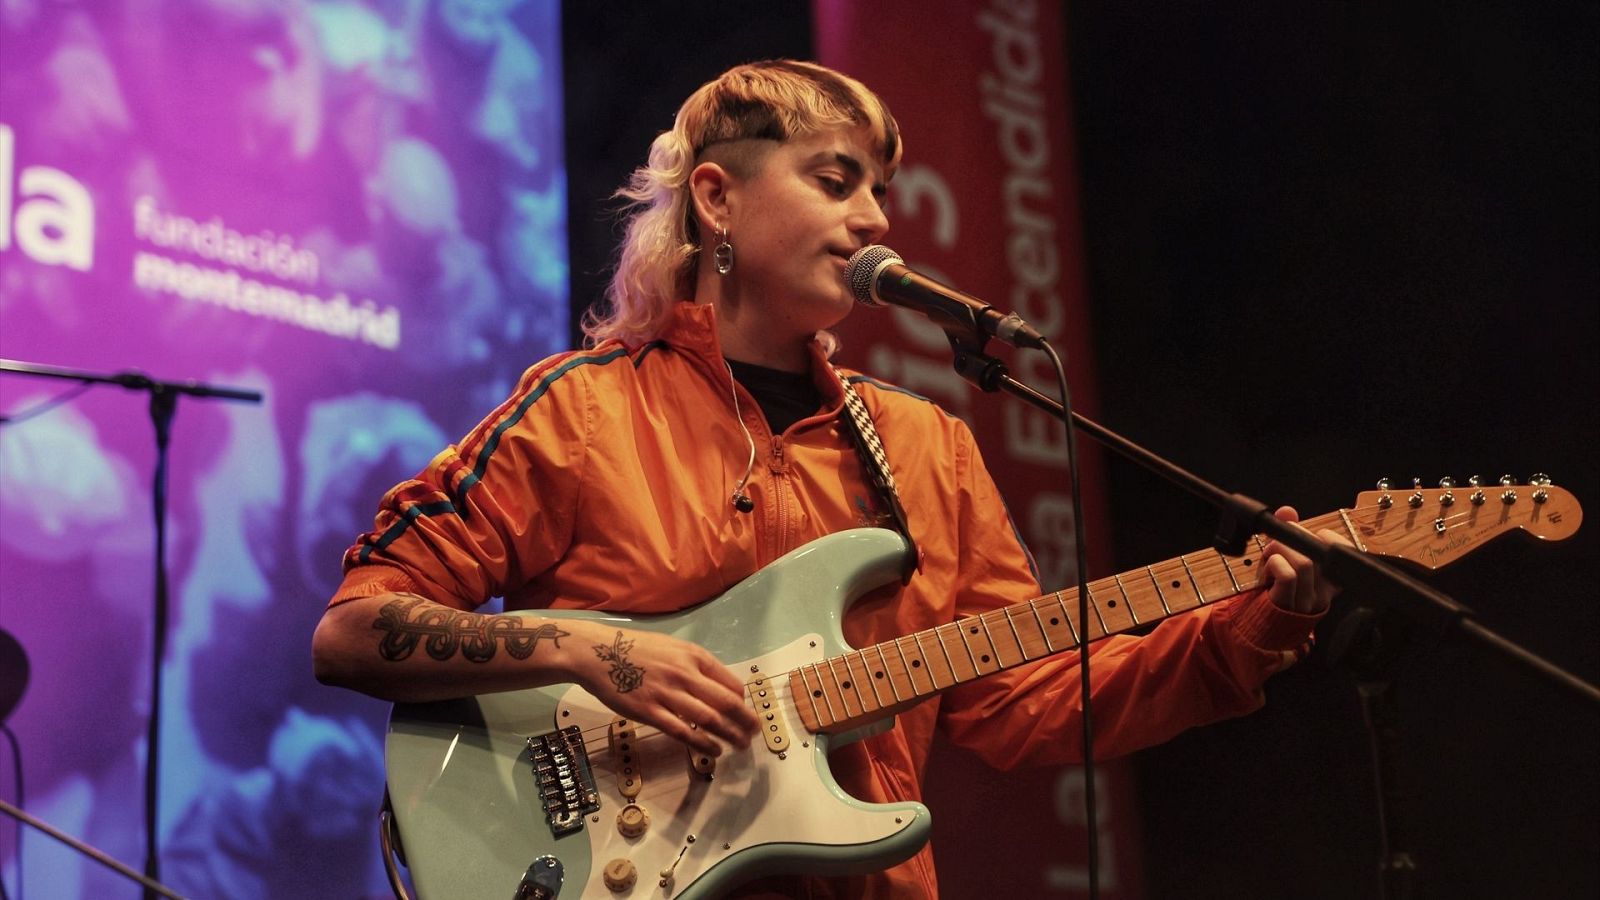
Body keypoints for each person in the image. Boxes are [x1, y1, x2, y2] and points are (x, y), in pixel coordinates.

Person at [312, 59, 1338, 898]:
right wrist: (593, 650)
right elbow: (354, 630)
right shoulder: (580, 411)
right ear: (716, 197)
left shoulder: (922, 446)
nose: (877, 221)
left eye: (880, 191)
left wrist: (1252, 625)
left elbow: (1028, 700)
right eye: (835, 180)